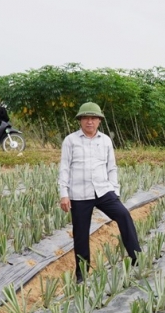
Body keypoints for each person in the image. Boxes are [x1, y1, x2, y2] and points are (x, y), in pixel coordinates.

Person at [58, 102, 141, 283]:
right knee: (80, 234)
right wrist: (64, 193)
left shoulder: (105, 140)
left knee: (124, 215)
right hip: (79, 194)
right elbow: (64, 168)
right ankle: (81, 274)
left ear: (99, 121)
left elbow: (111, 167)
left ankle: (137, 258)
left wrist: (114, 190)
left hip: (103, 191)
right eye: (86, 118)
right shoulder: (70, 140)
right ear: (80, 120)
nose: (90, 122)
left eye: (93, 118)